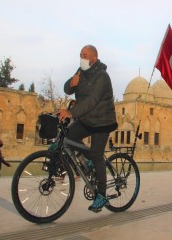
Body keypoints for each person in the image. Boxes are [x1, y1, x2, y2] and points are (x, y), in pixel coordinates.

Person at [58, 45, 118, 213]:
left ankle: (102, 195)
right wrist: (72, 82)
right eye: (80, 55)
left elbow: (92, 100)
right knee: (68, 135)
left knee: (97, 155)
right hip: (86, 118)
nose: (81, 58)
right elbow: (67, 89)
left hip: (102, 121)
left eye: (84, 55)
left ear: (93, 58)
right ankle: (88, 160)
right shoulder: (81, 72)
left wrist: (71, 112)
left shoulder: (103, 77)